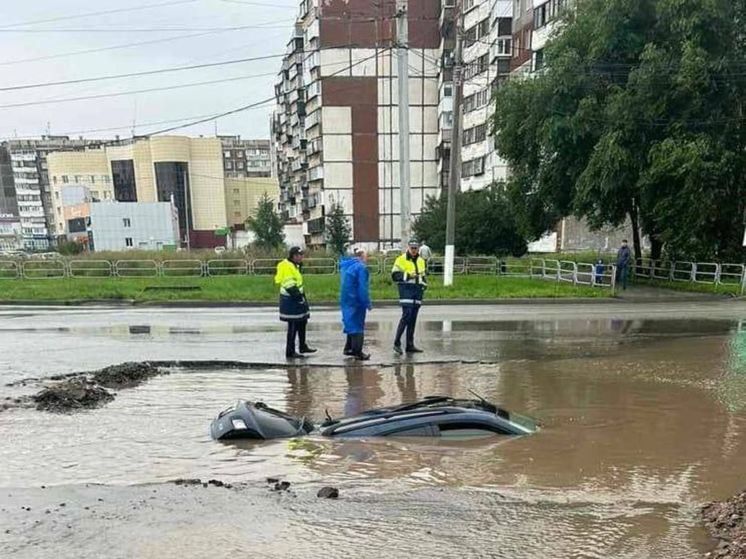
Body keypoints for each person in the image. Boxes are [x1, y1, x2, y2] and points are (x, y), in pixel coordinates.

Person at [274, 246, 316, 359]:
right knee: (293, 325)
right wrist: (299, 299)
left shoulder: (294, 265)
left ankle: (302, 346)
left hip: (297, 297)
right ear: (294, 256)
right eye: (300, 255)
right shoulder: (287, 267)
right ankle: (290, 351)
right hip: (291, 300)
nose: (302, 257)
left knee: (302, 321)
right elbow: (290, 285)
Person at [391, 239, 427, 354]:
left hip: (417, 292)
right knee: (406, 316)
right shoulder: (401, 259)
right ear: (408, 247)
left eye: (416, 248)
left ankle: (410, 345)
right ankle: (396, 343)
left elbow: (422, 275)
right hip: (406, 292)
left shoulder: (421, 260)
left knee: (413, 319)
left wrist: (424, 284)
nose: (414, 250)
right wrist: (408, 275)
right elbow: (395, 275)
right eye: (412, 248)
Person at [339, 247, 372, 361]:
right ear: (362, 256)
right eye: (366, 256)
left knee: (350, 323)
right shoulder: (361, 268)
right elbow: (362, 287)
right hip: (356, 300)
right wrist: (366, 302)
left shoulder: (347, 266)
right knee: (357, 326)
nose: (367, 259)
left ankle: (348, 348)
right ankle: (357, 351)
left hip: (346, 298)